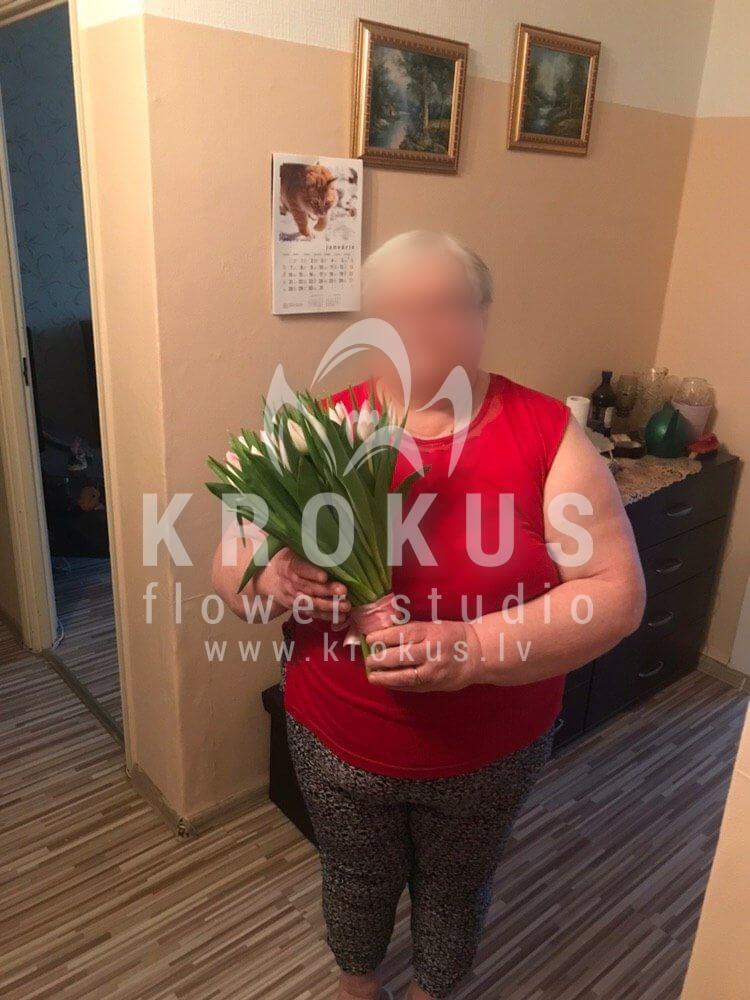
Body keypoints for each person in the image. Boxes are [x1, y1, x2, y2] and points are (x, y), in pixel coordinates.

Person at [212, 231, 645, 1000]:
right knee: (352, 876)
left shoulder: (547, 432)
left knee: (456, 888)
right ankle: (356, 985)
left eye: (446, 306)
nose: (419, 329)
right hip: (337, 738)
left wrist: (473, 647)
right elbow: (231, 576)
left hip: (492, 750)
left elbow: (615, 593)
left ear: (483, 316)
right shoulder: (313, 431)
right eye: (396, 310)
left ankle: (433, 989)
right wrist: (272, 578)